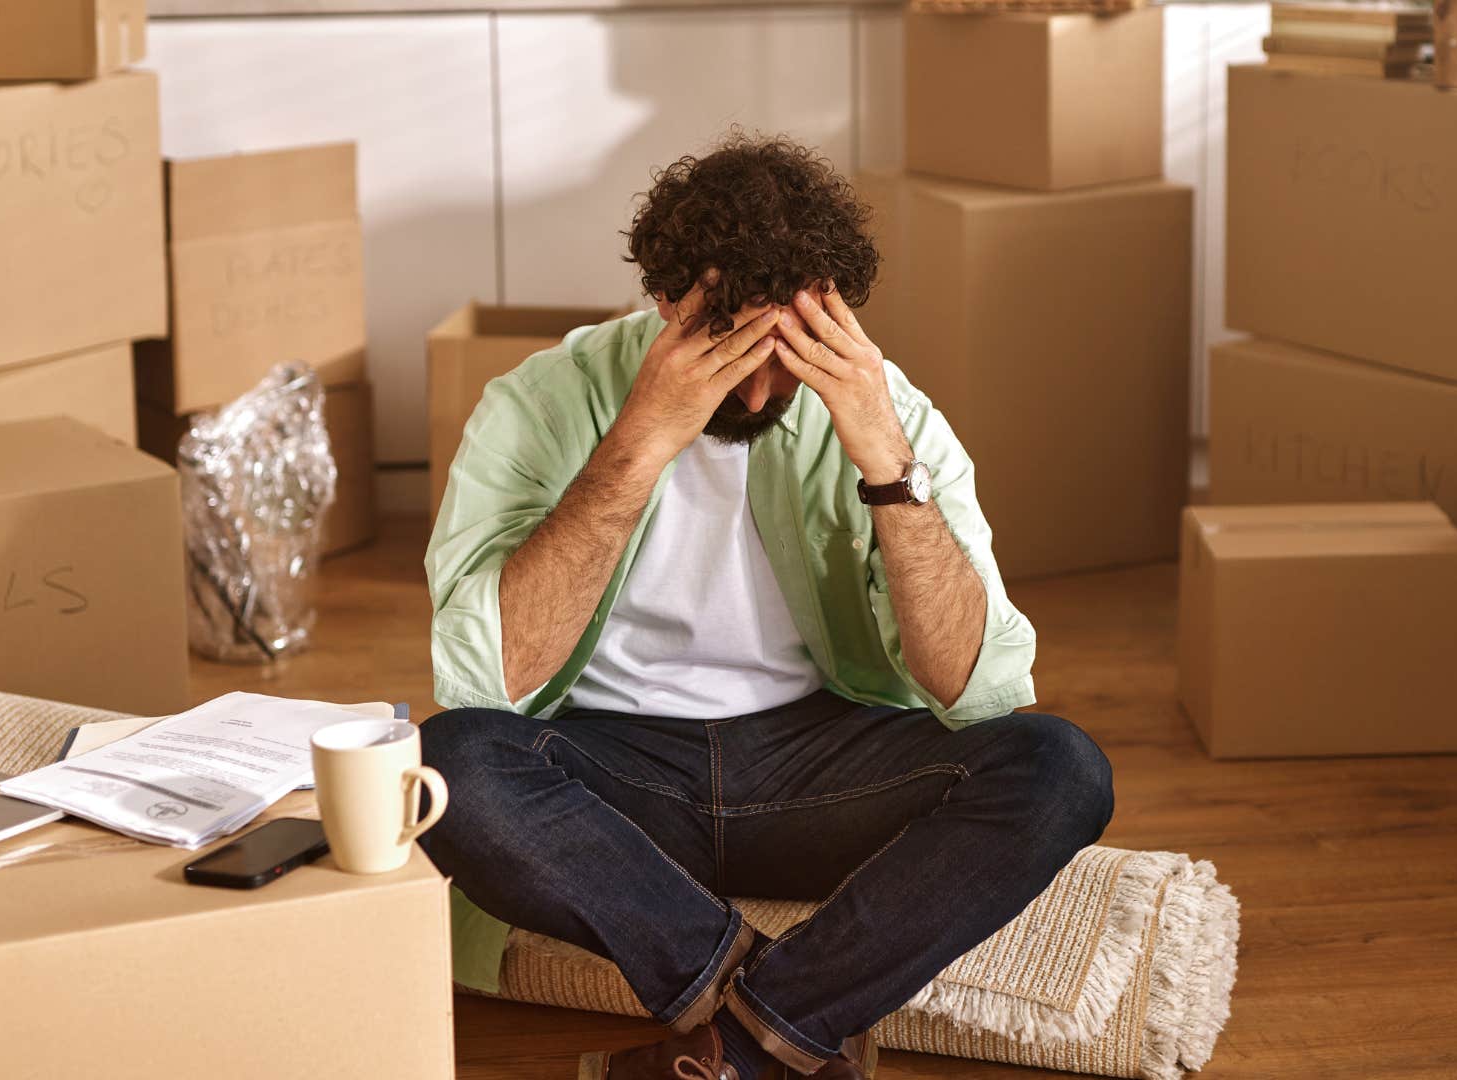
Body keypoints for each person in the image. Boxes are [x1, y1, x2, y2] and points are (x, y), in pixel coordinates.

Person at [419, 132, 1115, 1080]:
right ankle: (785, 1015)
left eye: (783, 352)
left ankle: (741, 1035)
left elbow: (980, 688)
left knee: (1060, 768)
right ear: (665, 302)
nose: (756, 388)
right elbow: (479, 680)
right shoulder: (541, 400)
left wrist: (887, 466)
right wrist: (639, 443)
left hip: (820, 768)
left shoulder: (886, 409)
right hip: (616, 774)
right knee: (447, 764)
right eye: (726, 339)